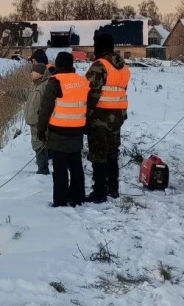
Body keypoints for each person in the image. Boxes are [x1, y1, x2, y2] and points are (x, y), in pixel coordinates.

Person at [37, 52, 89, 207]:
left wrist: (41, 130)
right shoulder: (82, 81)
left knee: (60, 170)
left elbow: (46, 108)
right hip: (77, 130)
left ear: (58, 65)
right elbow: (88, 106)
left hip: (58, 131)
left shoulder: (55, 81)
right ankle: (78, 197)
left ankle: (60, 201)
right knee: (76, 166)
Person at [85, 33, 131, 203]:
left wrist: (86, 116)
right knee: (112, 152)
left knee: (98, 153)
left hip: (100, 116)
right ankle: (113, 188)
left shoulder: (100, 65)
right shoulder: (123, 66)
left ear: (100, 46)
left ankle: (99, 192)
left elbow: (91, 94)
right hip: (118, 115)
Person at [3, 63, 51, 174]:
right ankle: (44, 165)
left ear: (39, 73)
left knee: (39, 145)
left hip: (40, 122)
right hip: (34, 122)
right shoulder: (34, 85)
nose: (31, 73)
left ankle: (43, 170)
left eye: (33, 72)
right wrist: (9, 93)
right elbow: (23, 93)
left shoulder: (45, 85)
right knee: (39, 144)